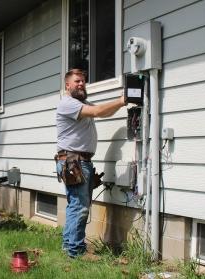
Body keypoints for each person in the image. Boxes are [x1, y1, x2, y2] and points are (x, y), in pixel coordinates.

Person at [56, 69, 127, 258]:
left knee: (75, 205)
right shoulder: (67, 104)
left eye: (83, 81)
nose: (81, 84)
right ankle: (76, 251)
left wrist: (123, 103)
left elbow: (103, 112)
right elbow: (97, 111)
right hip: (74, 161)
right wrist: (121, 100)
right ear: (67, 85)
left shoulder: (83, 104)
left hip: (79, 161)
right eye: (77, 81)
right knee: (79, 207)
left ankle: (68, 246)